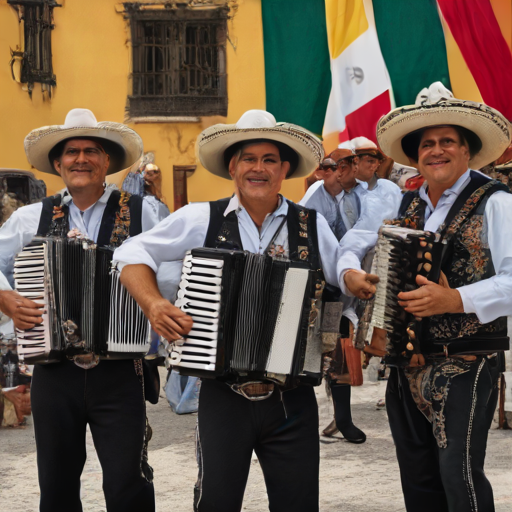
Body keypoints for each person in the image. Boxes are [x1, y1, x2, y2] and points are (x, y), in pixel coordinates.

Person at [114, 109, 351, 512]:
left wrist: (345, 315)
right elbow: (130, 251)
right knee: (216, 504)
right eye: (248, 159)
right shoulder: (199, 217)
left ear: (285, 168)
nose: (258, 168)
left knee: (298, 505)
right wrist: (153, 303)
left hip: (291, 399)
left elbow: (341, 284)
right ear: (232, 167)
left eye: (269, 160)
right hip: (223, 395)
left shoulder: (312, 225)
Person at [340, 82, 512, 512]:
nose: (436, 151)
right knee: (417, 478)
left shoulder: (497, 202)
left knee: (460, 477)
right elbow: (354, 241)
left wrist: (454, 299)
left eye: (447, 142)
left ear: (467, 151)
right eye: (427, 144)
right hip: (405, 362)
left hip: (466, 362)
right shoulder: (404, 202)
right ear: (416, 156)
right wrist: (350, 273)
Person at [0, 108, 167, 512]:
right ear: (58, 164)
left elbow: (177, 268)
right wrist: (5, 297)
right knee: (56, 485)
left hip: (121, 370)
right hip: (54, 372)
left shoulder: (145, 212)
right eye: (71, 152)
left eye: (91, 150)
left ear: (107, 160)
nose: (81, 159)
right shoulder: (29, 217)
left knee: (128, 482)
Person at [299, 148, 367, 443]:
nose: (335, 172)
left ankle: (342, 418)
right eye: (329, 168)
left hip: (349, 285)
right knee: (317, 350)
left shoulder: (359, 196)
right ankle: (306, 419)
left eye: (341, 166)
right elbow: (301, 228)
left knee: (340, 350)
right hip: (320, 287)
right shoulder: (316, 194)